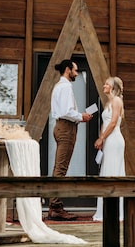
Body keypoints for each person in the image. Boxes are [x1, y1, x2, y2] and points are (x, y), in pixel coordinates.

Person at [48, 59, 93, 221]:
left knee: (59, 167)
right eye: (75, 70)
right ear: (68, 70)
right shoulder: (66, 86)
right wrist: (82, 116)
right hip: (66, 128)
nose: (76, 72)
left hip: (62, 126)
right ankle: (56, 207)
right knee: (61, 168)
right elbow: (67, 111)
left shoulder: (59, 86)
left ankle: (55, 205)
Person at [93, 76, 125, 221]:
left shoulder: (117, 101)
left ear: (113, 87)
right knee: (106, 170)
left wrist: (102, 138)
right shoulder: (108, 102)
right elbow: (104, 123)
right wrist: (101, 139)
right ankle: (105, 209)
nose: (104, 85)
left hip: (115, 140)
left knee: (113, 171)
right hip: (107, 140)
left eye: (107, 84)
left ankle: (115, 210)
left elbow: (113, 123)